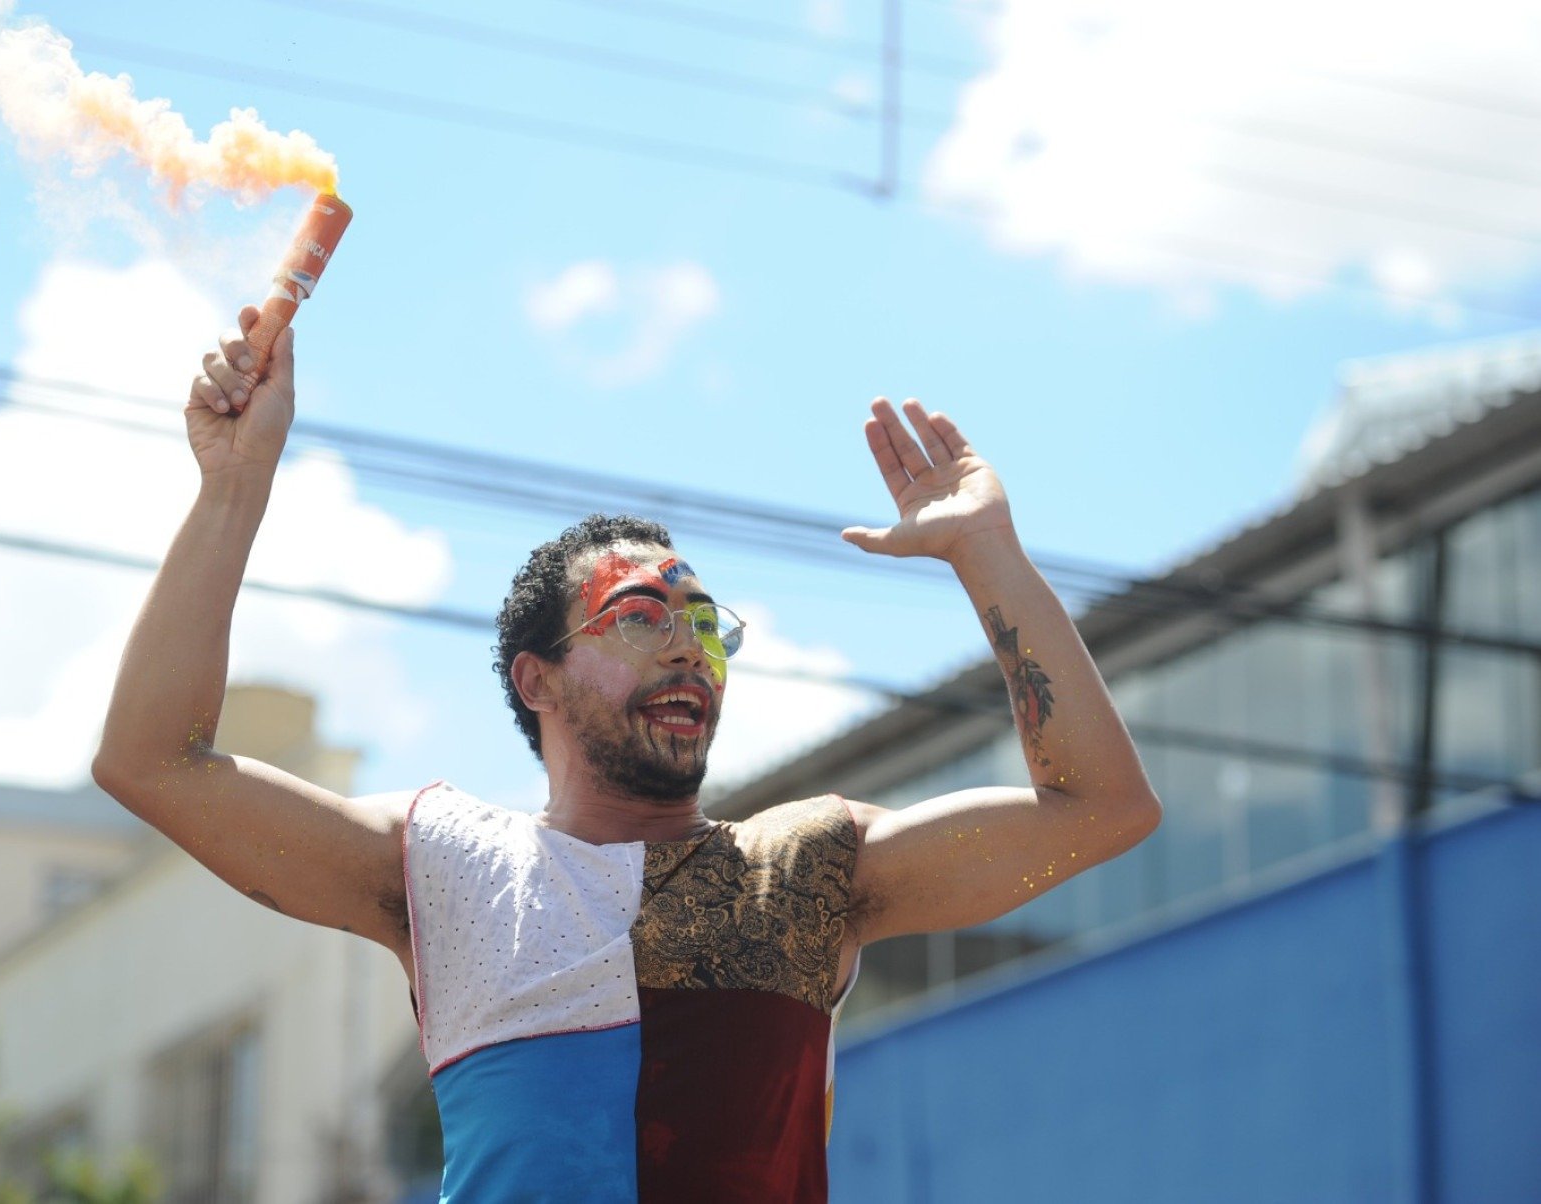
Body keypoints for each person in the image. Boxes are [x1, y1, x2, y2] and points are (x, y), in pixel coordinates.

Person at [92, 307, 1163, 1203]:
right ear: (538, 679)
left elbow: (1100, 808)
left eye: (706, 624)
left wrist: (988, 552)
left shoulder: (806, 870)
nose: (689, 647)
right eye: (642, 615)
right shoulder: (442, 866)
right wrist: (234, 483)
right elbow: (155, 761)